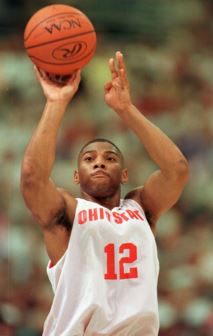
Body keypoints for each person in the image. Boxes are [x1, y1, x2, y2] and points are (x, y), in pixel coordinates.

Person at [21, 51, 189, 336]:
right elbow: (32, 179)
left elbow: (177, 170)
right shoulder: (69, 213)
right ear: (77, 176)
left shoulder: (140, 207)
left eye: (110, 158)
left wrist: (126, 110)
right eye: (89, 159)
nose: (99, 161)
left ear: (125, 174)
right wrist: (56, 101)